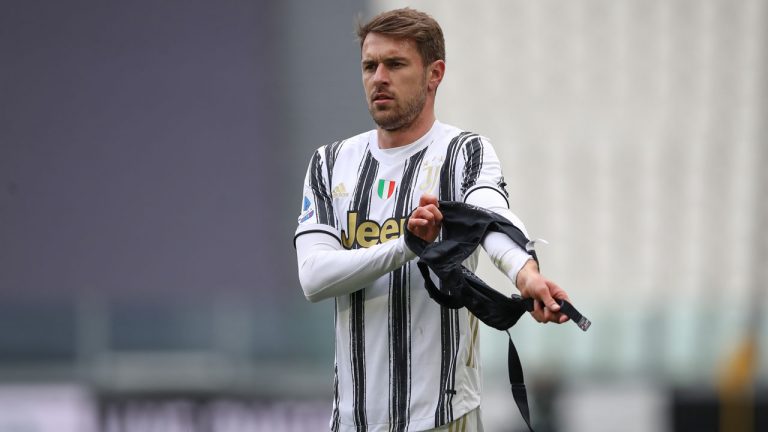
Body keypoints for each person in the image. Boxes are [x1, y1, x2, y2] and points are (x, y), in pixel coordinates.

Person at [294, 8, 572, 432]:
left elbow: (491, 220)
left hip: (444, 419)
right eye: (370, 65)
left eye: (396, 64)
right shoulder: (329, 164)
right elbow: (314, 278)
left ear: (434, 73)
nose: (379, 77)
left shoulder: (465, 153)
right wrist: (406, 246)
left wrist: (525, 274)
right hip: (353, 422)